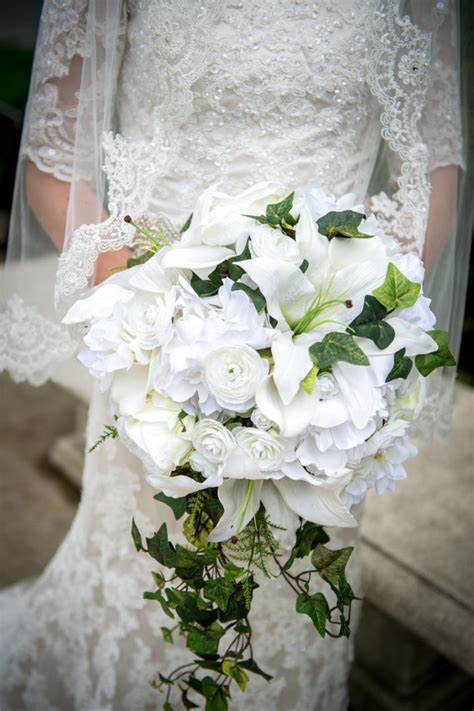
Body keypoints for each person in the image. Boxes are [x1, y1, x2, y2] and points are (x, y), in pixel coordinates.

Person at [0, 1, 468, 709]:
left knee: (290, 603)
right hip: (159, 362)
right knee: (154, 600)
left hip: (328, 392)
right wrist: (159, 313)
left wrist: (364, 333)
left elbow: (434, 166)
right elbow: (51, 163)